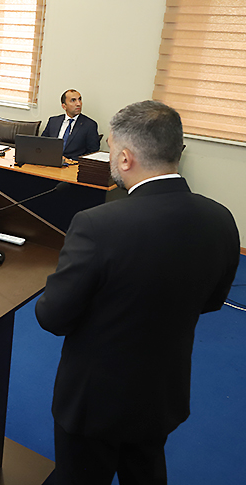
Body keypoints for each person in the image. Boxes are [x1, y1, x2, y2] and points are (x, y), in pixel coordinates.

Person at [35, 100, 240, 485]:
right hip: (161, 391)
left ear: (126, 158)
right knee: (145, 470)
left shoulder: (97, 224)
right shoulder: (221, 219)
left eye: (111, 148)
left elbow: (52, 317)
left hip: (95, 400)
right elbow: (211, 301)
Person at [41, 90, 100, 159]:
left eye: (79, 99)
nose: (78, 104)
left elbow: (92, 152)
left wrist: (71, 160)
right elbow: (42, 143)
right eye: (73, 100)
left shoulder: (89, 125)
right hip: (50, 160)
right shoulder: (53, 121)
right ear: (64, 106)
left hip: (73, 163)